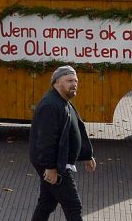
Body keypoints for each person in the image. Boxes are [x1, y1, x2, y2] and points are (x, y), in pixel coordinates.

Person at [29, 66, 95, 221]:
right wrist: (50, 167)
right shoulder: (51, 106)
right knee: (73, 205)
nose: (74, 84)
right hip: (56, 164)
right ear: (56, 82)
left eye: (76, 81)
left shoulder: (63, 102)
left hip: (57, 162)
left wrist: (87, 154)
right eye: (69, 81)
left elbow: (76, 127)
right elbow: (46, 141)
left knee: (47, 203)